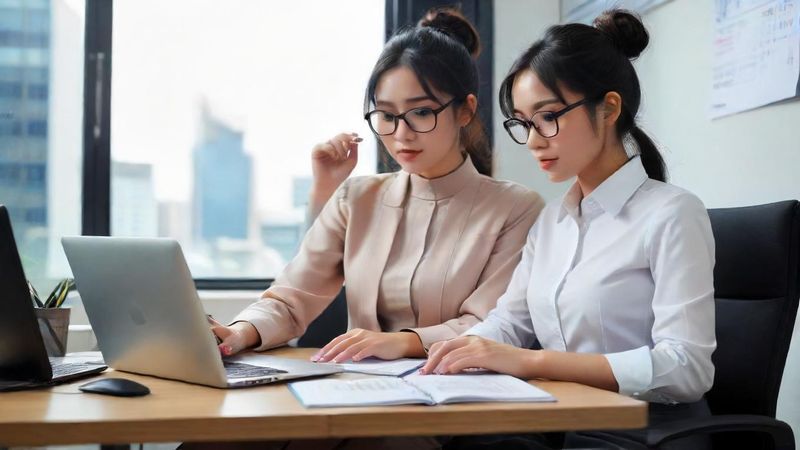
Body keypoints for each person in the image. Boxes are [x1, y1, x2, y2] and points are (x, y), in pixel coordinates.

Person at [422, 10, 716, 450]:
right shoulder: (552, 220)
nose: (535, 139)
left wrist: (530, 361)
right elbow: (510, 320)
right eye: (523, 122)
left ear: (609, 108)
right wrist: (463, 350)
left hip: (644, 431)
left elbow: (686, 368)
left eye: (548, 116)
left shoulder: (672, 214)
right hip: (562, 417)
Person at [211, 7, 544, 371]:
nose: (401, 135)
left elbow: (491, 325)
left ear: (465, 111)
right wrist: (239, 332)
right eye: (386, 115)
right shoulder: (356, 198)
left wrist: (402, 343)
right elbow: (291, 298)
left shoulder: (516, 209)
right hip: (360, 391)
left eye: (421, 113)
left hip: (459, 394)